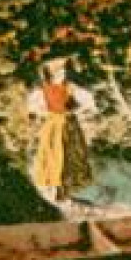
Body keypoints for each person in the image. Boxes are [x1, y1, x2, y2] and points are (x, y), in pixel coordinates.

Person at [27, 58, 97, 204]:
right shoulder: (43, 88)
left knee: (68, 155)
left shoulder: (70, 86)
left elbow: (87, 101)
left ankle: (64, 189)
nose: (56, 70)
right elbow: (35, 106)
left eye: (59, 68)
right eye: (53, 68)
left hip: (66, 123)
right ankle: (57, 188)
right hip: (53, 124)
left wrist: (74, 108)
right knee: (54, 155)